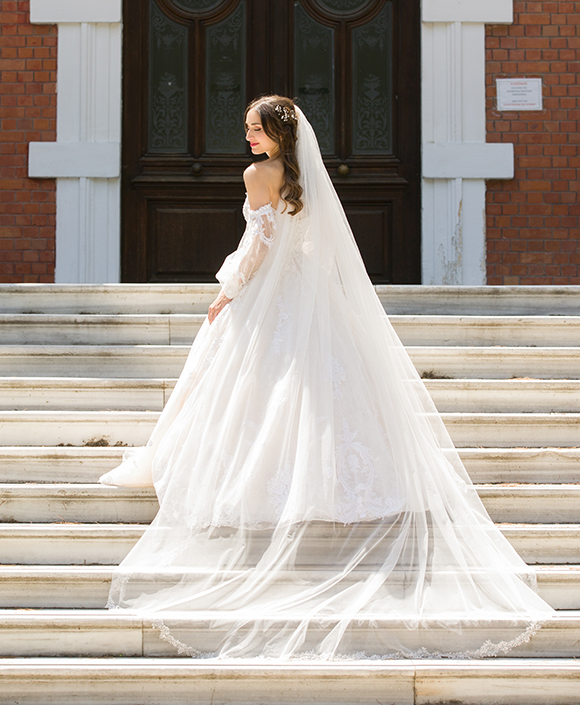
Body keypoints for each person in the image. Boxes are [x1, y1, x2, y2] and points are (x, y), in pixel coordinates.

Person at [100, 96, 554, 660]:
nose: (247, 137)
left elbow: (259, 243)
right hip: (306, 287)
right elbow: (312, 240)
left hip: (270, 291)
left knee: (252, 383)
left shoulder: (257, 175)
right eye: (247, 129)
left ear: (277, 132)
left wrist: (229, 290)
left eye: (255, 128)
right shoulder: (303, 175)